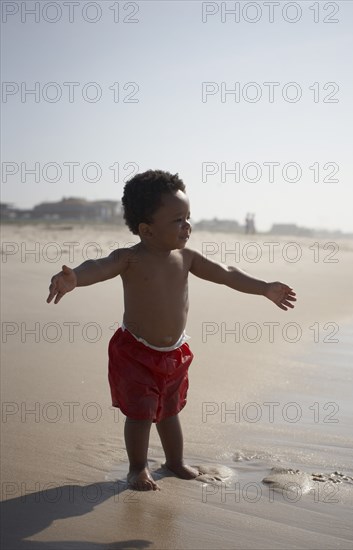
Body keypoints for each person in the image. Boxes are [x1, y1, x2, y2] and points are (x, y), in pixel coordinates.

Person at [47, 170, 297, 491]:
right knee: (141, 413)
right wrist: (75, 279)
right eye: (178, 220)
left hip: (174, 352)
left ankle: (174, 461)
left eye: (188, 217)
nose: (187, 225)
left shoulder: (187, 257)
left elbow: (226, 274)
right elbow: (98, 266)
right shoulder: (130, 258)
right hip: (135, 351)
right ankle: (137, 468)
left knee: (169, 410)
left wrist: (264, 287)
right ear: (146, 230)